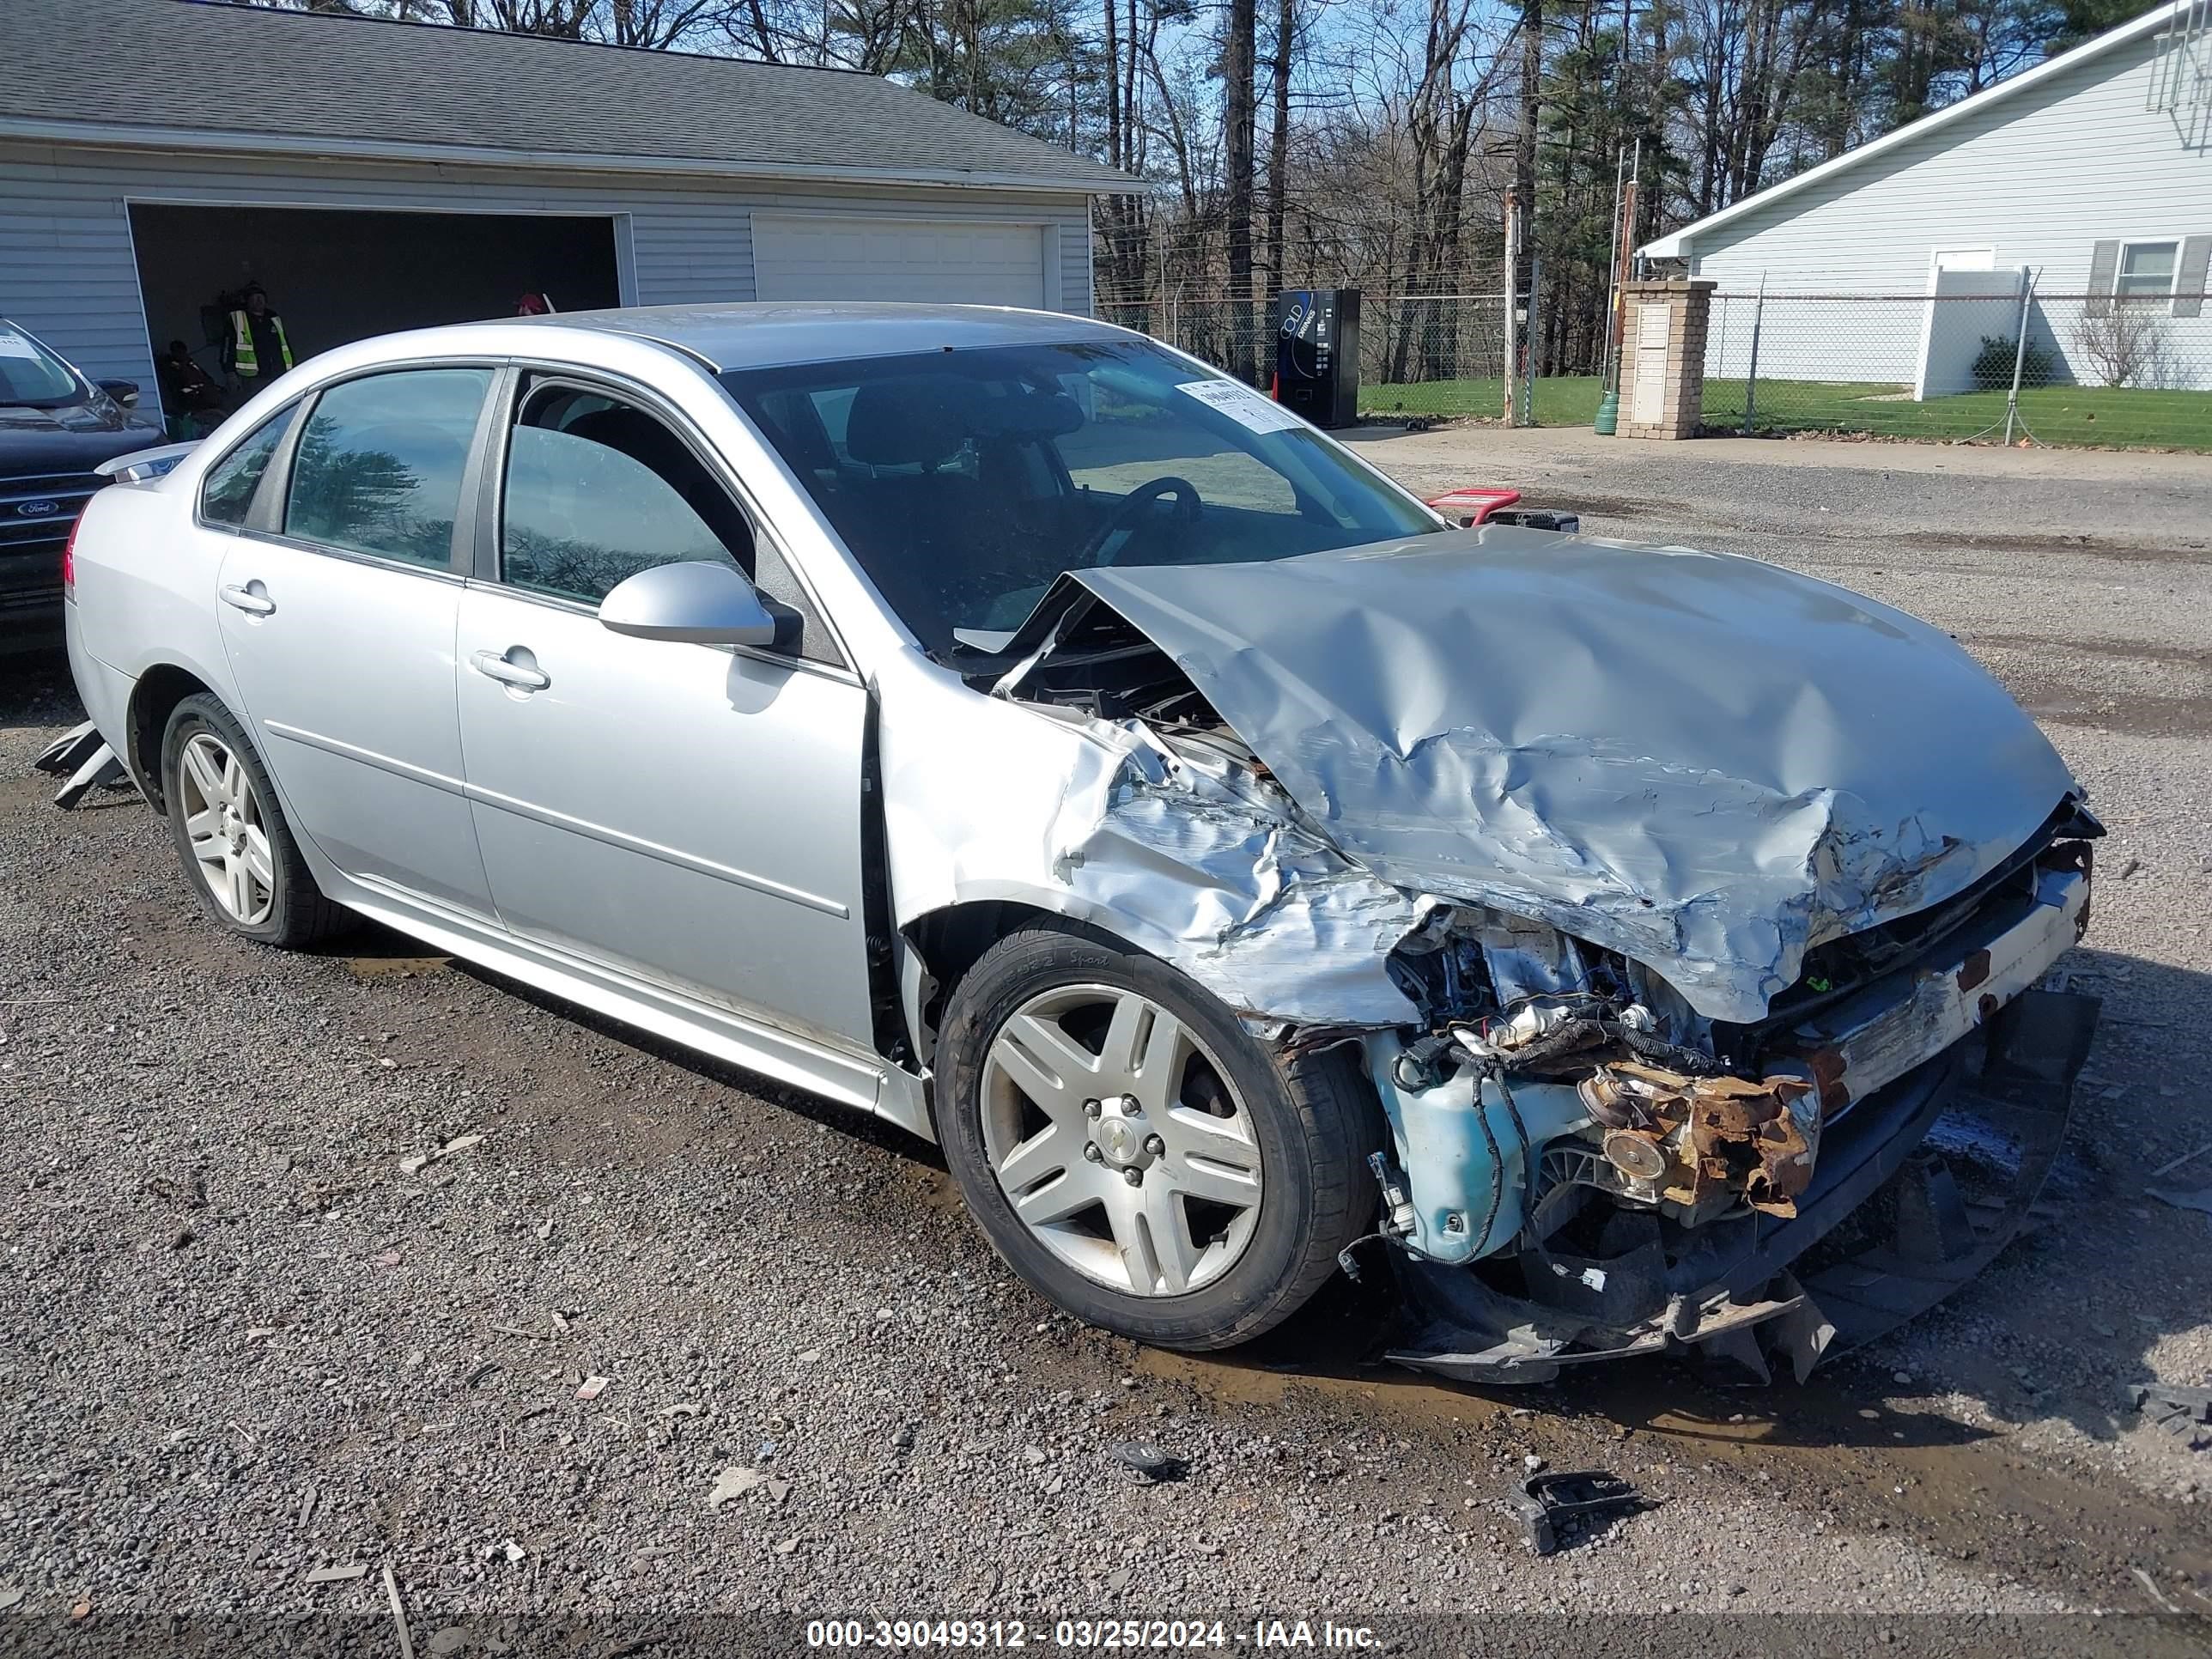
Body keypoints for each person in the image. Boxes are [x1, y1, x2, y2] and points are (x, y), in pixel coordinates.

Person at [223, 283, 294, 386]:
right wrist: (230, 372)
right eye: (255, 298)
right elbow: (228, 347)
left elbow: (285, 343)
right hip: (252, 377)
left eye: (261, 297)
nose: (259, 301)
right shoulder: (238, 318)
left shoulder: (273, 317)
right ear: (247, 301)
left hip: (279, 372)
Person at [154, 339, 225, 438]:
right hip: (190, 397)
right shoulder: (172, 367)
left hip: (205, 392)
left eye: (183, 352)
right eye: (179, 352)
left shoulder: (191, 363)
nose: (182, 354)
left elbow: (207, 378)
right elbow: (177, 383)